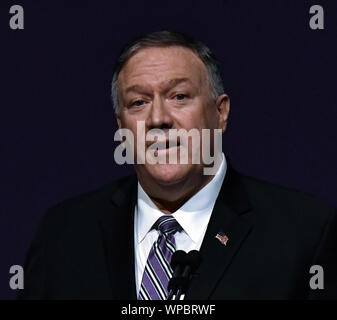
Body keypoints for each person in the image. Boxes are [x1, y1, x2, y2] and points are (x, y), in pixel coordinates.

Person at [19, 31, 337, 300]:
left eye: (179, 96)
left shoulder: (304, 235)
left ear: (220, 112)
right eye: (139, 102)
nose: (158, 119)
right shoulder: (62, 236)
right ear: (121, 126)